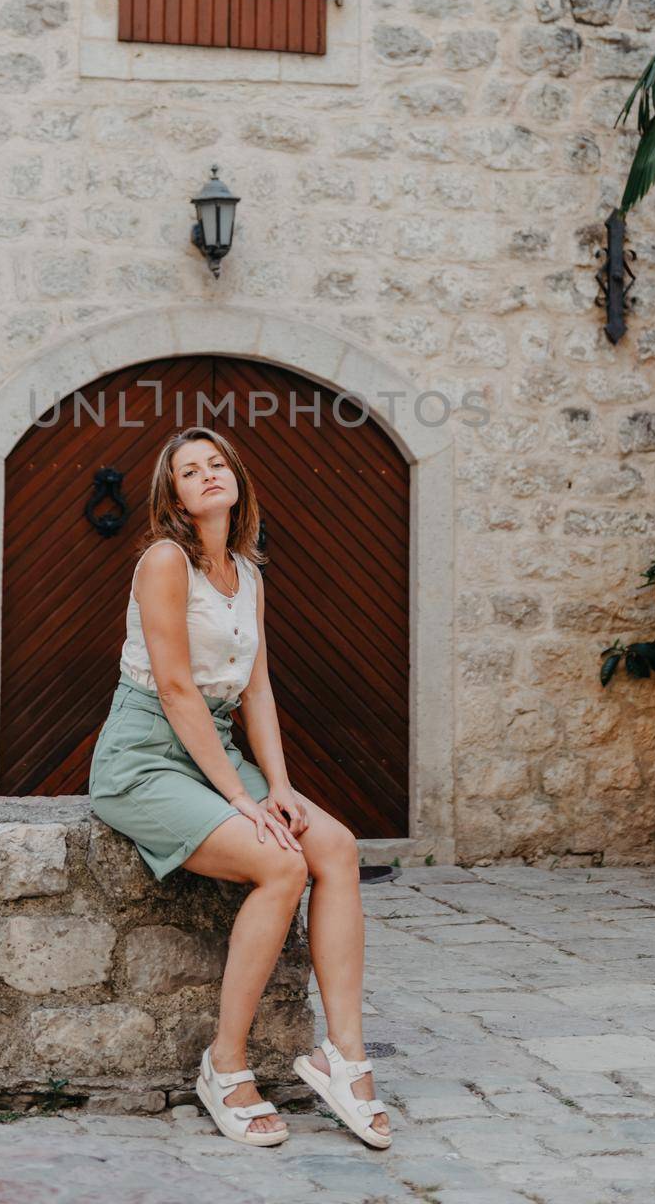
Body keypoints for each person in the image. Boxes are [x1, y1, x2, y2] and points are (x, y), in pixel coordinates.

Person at [89, 425, 393, 1150]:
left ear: (237, 481)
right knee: (279, 862)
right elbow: (173, 687)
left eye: (216, 463)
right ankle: (225, 1065)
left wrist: (280, 786)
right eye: (189, 471)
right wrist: (240, 799)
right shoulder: (165, 560)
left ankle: (341, 1057)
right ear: (174, 495)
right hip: (146, 754)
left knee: (337, 846)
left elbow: (255, 688)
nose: (207, 475)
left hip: (215, 747)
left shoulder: (246, 572)